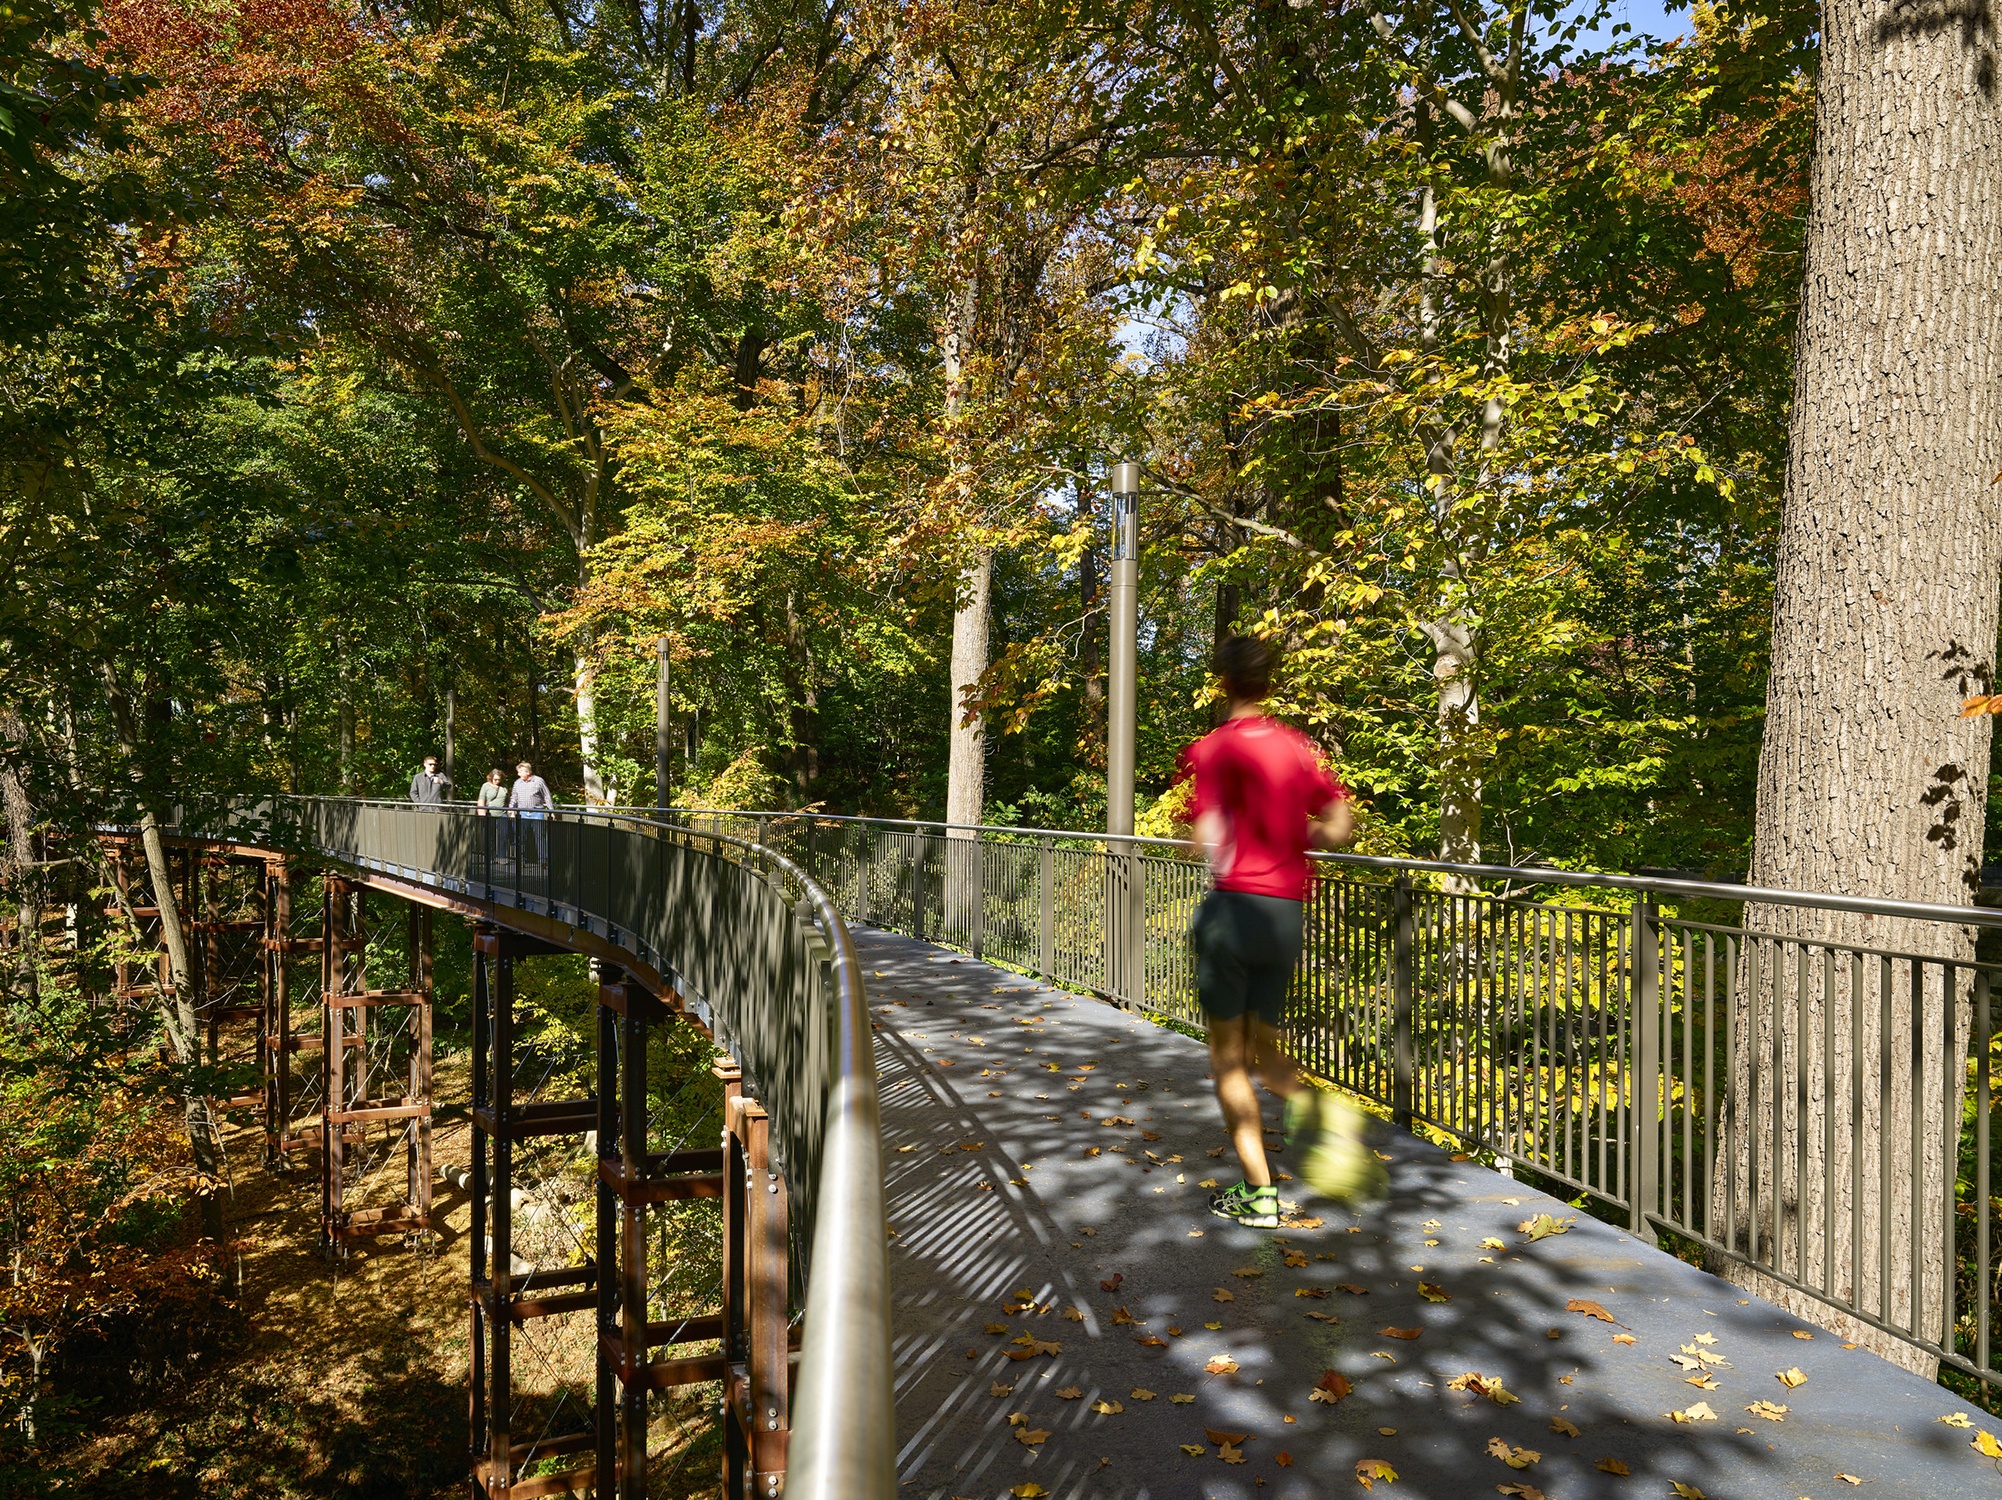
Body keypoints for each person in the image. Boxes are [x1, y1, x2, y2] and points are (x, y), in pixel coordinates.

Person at [1181, 635, 1381, 1227]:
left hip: (1235, 912)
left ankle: (1259, 1195)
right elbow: (1340, 823)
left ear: (1224, 683)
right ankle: (1323, 1118)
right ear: (1269, 683)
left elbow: (1209, 836)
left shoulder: (1215, 749)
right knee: (1267, 1052)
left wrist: (1202, 842)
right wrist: (1302, 841)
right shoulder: (1298, 749)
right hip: (1287, 912)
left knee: (1227, 1061)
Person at [508, 760, 554, 862]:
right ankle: (521, 859)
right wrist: (511, 810)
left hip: (537, 812)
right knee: (521, 837)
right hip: (522, 812)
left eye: (520, 772)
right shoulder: (517, 783)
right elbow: (514, 797)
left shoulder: (538, 781)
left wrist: (551, 811)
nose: (518, 774)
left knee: (540, 837)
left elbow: (547, 796)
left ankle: (543, 860)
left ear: (527, 772)